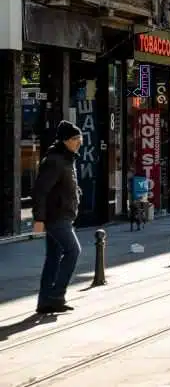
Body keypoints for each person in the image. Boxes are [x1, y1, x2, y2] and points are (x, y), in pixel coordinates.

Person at [33, 120, 84, 314]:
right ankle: (56, 295)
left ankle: (45, 302)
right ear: (65, 140)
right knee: (73, 251)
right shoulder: (55, 160)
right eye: (74, 138)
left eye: (80, 138)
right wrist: (38, 219)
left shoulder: (67, 158)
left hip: (63, 214)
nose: (79, 142)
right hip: (56, 217)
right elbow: (40, 191)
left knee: (53, 257)